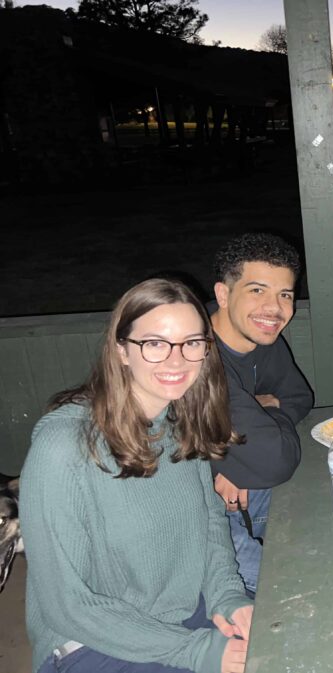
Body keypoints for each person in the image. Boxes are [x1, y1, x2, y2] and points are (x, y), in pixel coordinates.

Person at [20, 278, 253, 673]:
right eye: (155, 343)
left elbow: (211, 520)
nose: (176, 360)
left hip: (182, 612)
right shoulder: (62, 448)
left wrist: (228, 596)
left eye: (192, 342)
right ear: (122, 351)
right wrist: (197, 651)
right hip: (91, 641)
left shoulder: (180, 423)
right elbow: (68, 606)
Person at [209, 233, 314, 596]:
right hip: (190, 519)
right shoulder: (197, 359)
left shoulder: (260, 339)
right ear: (223, 295)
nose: (275, 308)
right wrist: (233, 461)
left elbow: (299, 397)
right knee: (295, 594)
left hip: (246, 489)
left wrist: (264, 417)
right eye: (257, 290)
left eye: (285, 294)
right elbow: (273, 460)